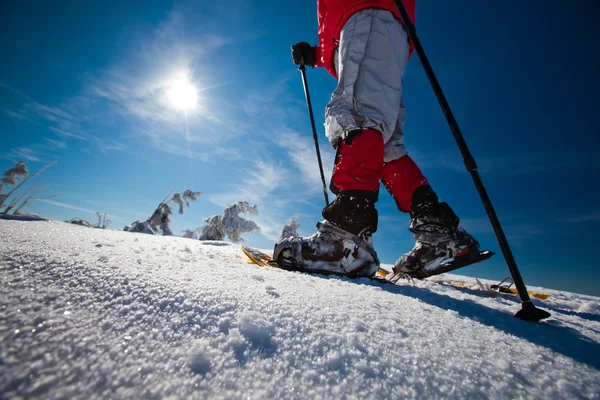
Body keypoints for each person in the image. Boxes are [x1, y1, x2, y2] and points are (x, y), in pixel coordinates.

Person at [273, 0, 480, 279]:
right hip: (371, 26)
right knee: (384, 144)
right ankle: (439, 234)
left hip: (366, 14)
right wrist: (318, 54)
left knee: (357, 117)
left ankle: (347, 238)